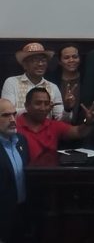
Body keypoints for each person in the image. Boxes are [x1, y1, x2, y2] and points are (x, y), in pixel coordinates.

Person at [15, 87, 94, 161]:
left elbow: (78, 132)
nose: (43, 108)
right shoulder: (14, 126)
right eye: (38, 103)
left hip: (51, 171)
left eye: (46, 104)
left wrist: (88, 122)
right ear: (26, 105)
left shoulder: (54, 125)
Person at [2, 42, 64, 120]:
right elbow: (7, 112)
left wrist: (68, 109)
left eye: (43, 60)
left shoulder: (53, 87)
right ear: (25, 65)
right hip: (17, 127)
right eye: (35, 60)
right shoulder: (12, 82)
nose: (40, 64)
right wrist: (38, 110)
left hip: (45, 128)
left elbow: (60, 118)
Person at [0, 98, 29, 243]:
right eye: (5, 115)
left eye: (14, 114)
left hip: (22, 214)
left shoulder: (21, 141)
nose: (12, 119)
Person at [48, 44, 83, 124]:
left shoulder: (87, 78)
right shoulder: (51, 81)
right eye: (66, 58)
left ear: (80, 59)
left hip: (82, 126)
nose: (71, 60)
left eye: (75, 57)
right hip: (57, 125)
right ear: (60, 61)